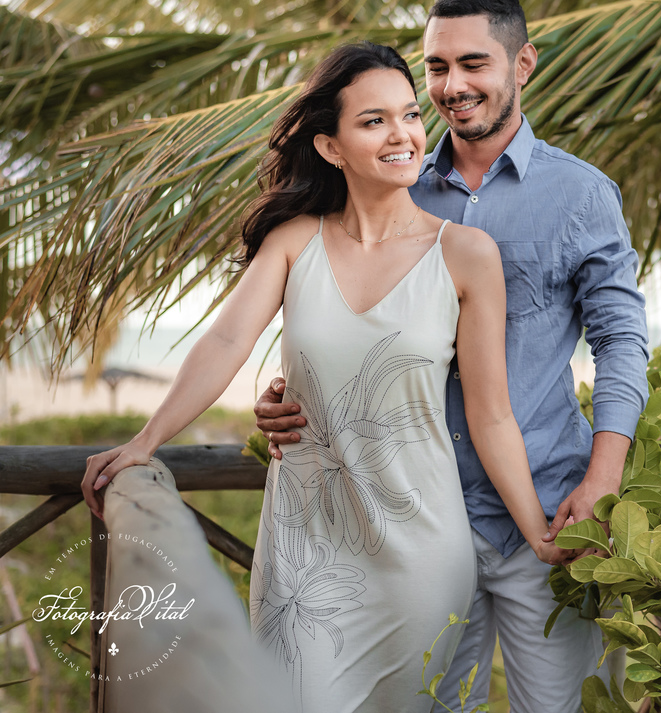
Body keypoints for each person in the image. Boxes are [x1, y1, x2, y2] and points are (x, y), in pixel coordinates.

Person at [80, 42, 570, 712]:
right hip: (303, 557)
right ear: (331, 147)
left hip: (422, 559)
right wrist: (145, 441)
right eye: (373, 121)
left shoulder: (464, 254)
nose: (402, 134)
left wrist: (538, 530)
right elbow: (226, 340)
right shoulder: (295, 241)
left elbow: (490, 415)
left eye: (407, 115)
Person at [255, 0, 650, 712]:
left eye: (474, 63)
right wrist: (283, 390)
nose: (453, 86)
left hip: (549, 510)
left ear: (523, 62)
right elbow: (330, 307)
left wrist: (603, 481)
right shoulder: (387, 180)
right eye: (436, 67)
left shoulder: (582, 194)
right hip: (412, 528)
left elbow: (622, 342)